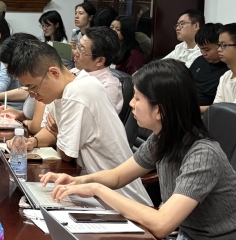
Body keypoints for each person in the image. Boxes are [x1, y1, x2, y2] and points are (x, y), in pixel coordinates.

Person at [41, 60, 236, 240]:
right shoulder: (164, 138)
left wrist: (98, 190)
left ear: (160, 110)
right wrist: (79, 181)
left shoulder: (203, 154)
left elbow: (161, 224)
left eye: (137, 98)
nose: (131, 104)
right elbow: (118, 176)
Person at [8, 38, 151, 205]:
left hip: (118, 199)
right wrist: (32, 142)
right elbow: (51, 130)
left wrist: (58, 132)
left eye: (33, 87)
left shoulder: (77, 93)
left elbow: (66, 155)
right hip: (89, 186)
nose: (32, 95)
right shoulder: (61, 89)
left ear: (54, 73)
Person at [0, 33, 47, 137]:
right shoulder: (33, 82)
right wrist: (19, 115)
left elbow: (36, 126)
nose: (14, 76)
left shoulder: (43, 81)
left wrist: (27, 122)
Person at [72, 27, 123, 114]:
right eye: (78, 46)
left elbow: (98, 120)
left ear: (100, 61)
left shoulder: (108, 87)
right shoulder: (76, 70)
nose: (75, 53)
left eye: (81, 49)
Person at [190, 23, 228, 112]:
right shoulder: (199, 61)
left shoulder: (228, 70)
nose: (203, 53)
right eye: (201, 49)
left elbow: (222, 107)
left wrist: (191, 110)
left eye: (207, 50)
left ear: (220, 45)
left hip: (203, 112)